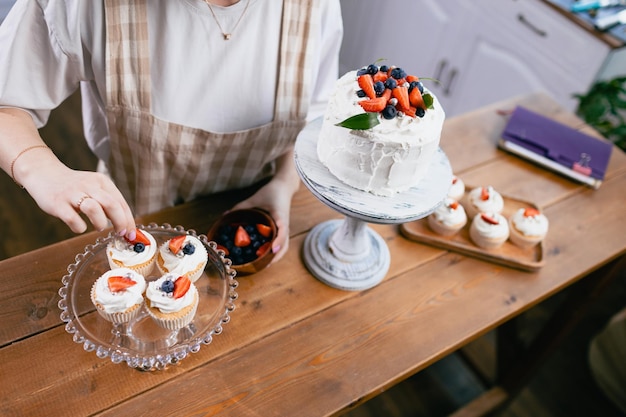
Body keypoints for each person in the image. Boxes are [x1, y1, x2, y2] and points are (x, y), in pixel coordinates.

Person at [0, 0, 343, 263]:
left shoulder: (315, 7)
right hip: (132, 224)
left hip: (257, 213)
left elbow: (312, 117)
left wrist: (283, 184)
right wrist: (40, 167)